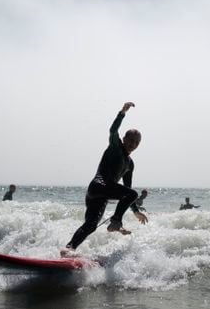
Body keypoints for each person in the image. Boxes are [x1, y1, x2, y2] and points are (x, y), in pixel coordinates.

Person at [62, 102, 148, 255]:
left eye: (136, 142)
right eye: (130, 140)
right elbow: (113, 130)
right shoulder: (115, 147)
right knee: (132, 194)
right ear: (123, 139)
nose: (133, 144)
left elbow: (127, 190)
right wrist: (122, 112)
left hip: (100, 195)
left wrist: (135, 211)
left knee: (91, 225)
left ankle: (68, 249)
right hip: (98, 187)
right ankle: (115, 222)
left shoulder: (130, 164)